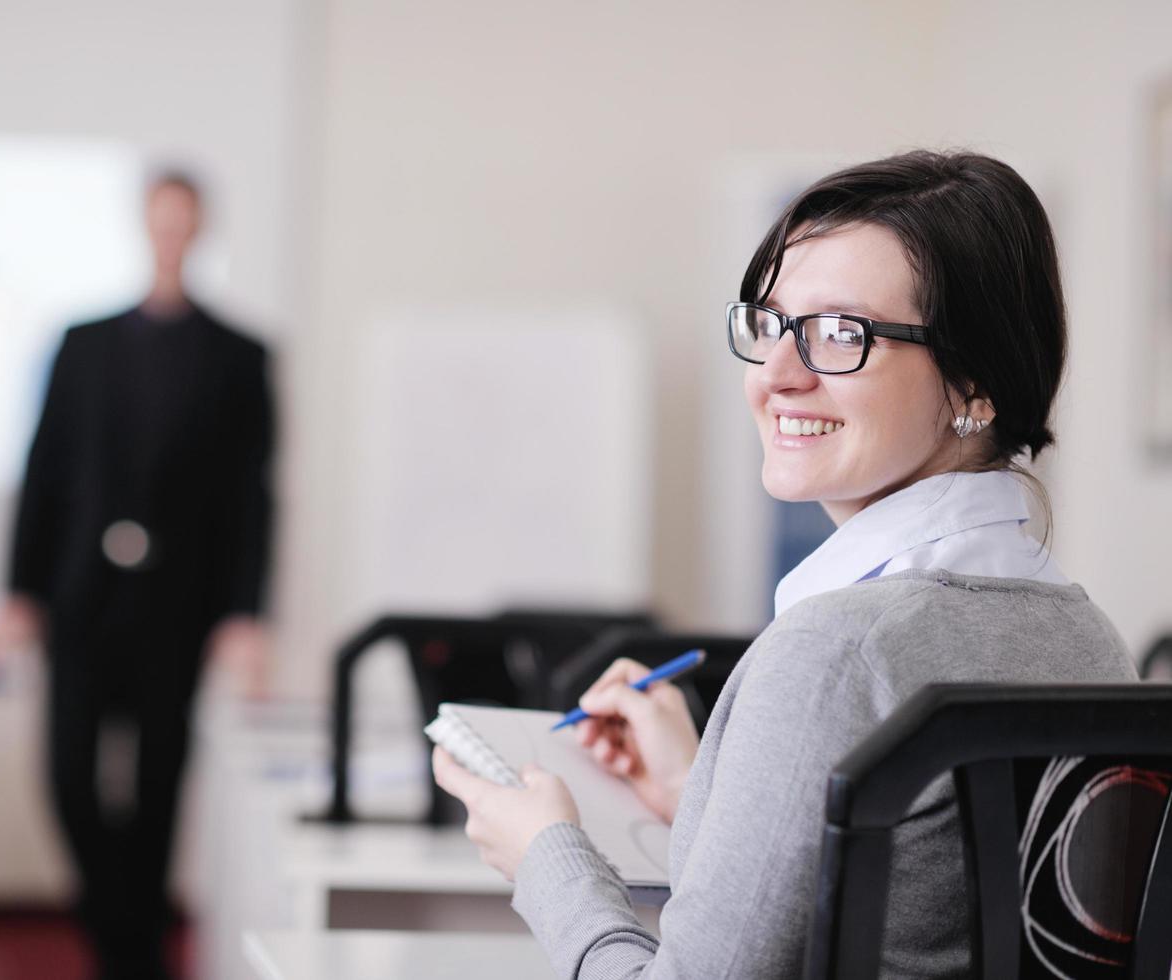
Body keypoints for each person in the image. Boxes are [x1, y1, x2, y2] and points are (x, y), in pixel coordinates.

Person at [432, 151, 1136, 978]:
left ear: (972, 384)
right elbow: (929, 904)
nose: (776, 376)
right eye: (769, 325)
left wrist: (547, 855)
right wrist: (702, 792)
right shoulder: (1088, 637)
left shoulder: (837, 649)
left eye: (842, 334)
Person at [0, 170, 274, 980]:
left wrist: (247, 614)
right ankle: (127, 945)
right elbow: (42, 472)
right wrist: (18, 592)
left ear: (200, 229)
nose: (170, 235)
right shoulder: (83, 343)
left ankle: (129, 958)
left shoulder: (239, 356)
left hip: (179, 607)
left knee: (157, 790)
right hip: (80, 601)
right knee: (69, 778)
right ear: (144, 226)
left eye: (184, 223)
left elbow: (254, 496)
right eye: (159, 221)